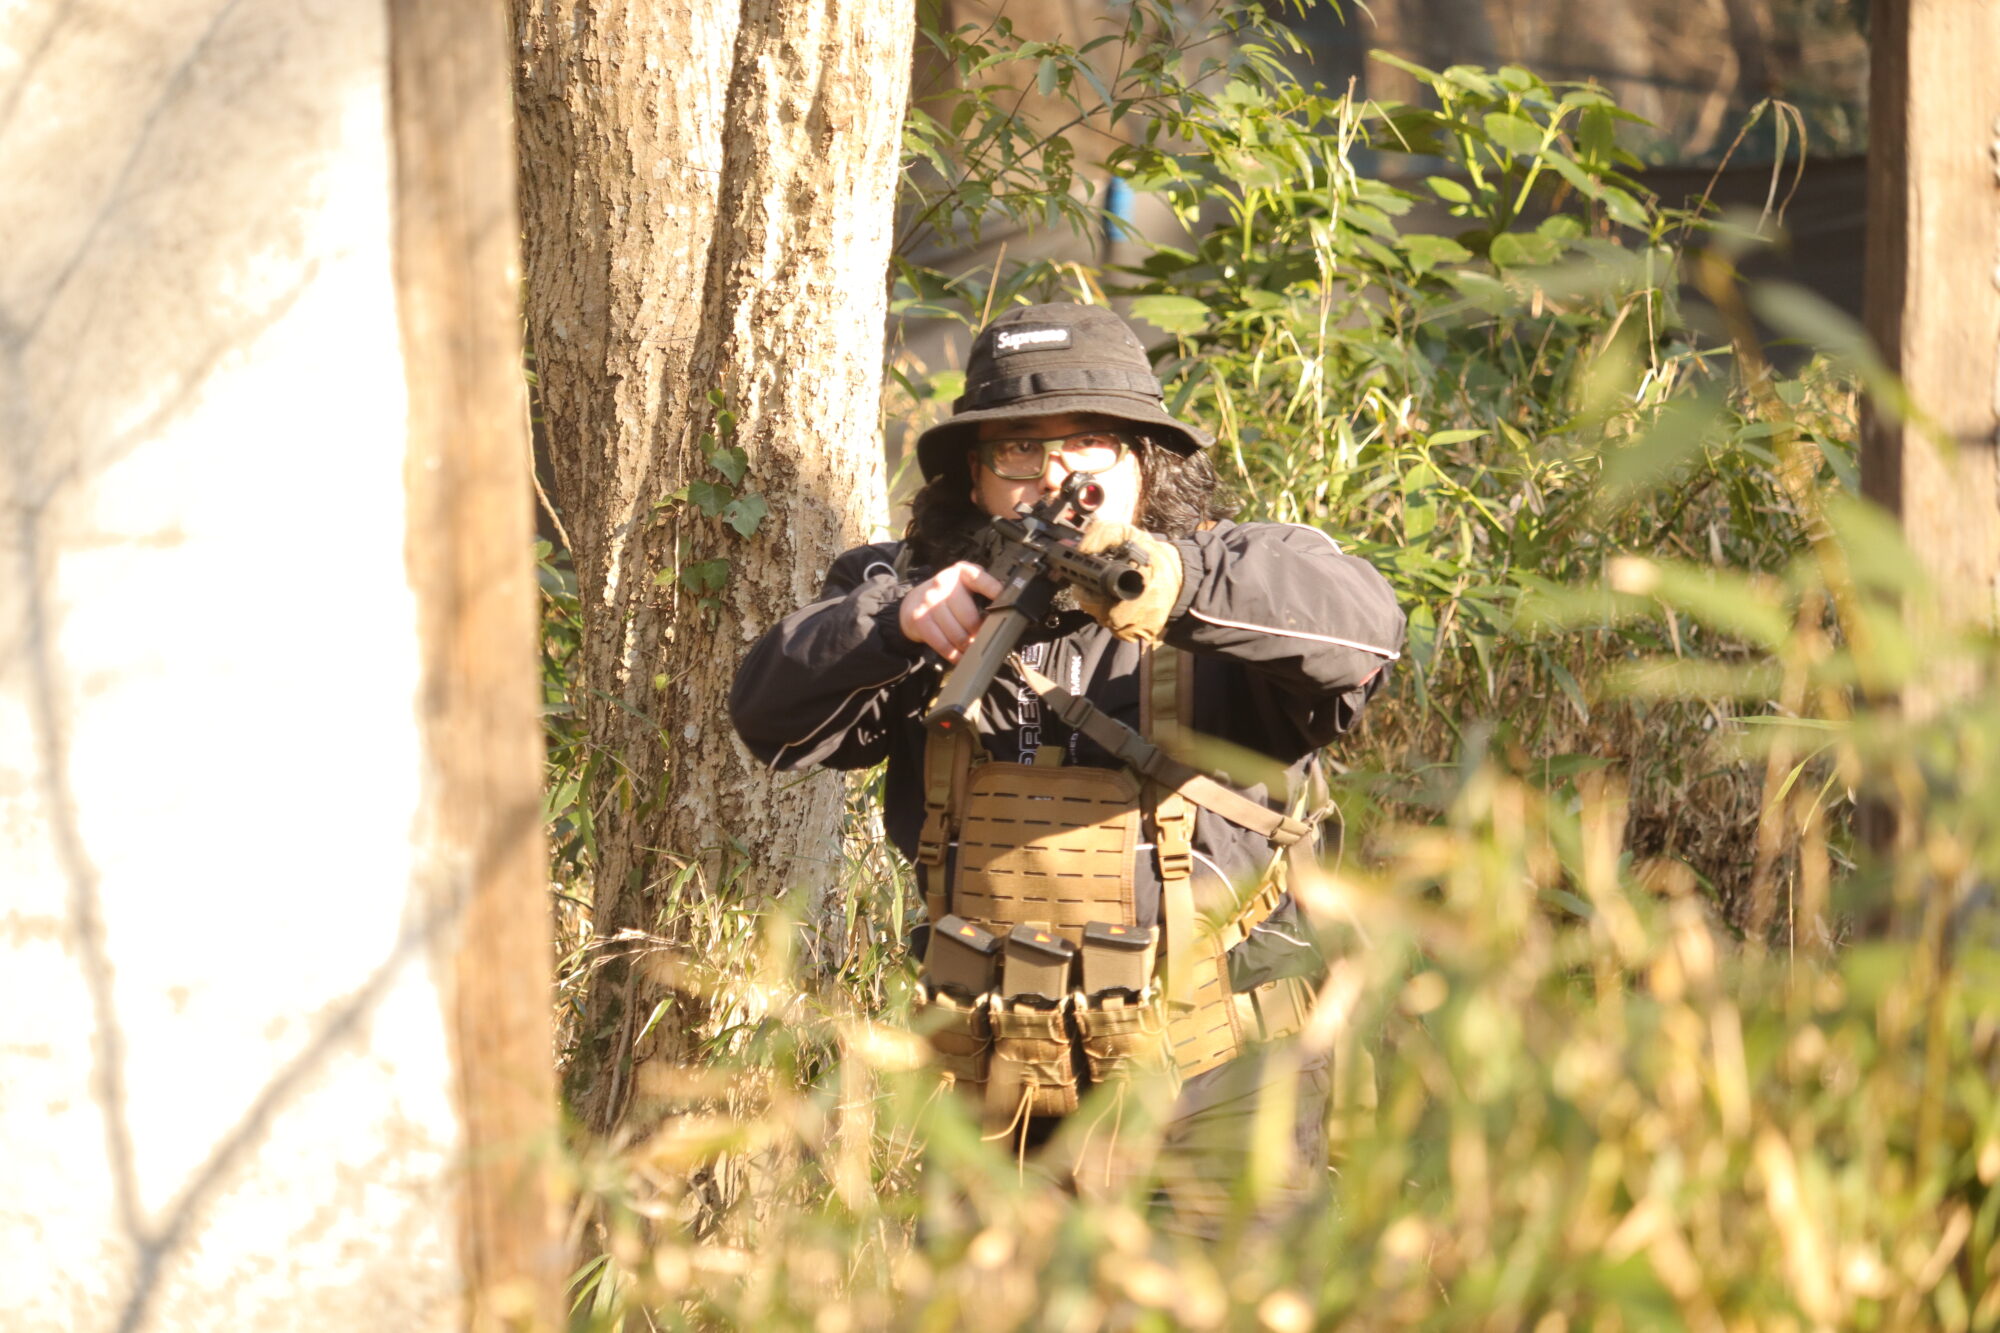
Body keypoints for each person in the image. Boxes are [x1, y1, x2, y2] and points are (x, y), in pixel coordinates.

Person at [729, 303, 1404, 1227]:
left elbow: (1363, 632)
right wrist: (894, 624)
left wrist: (1168, 583)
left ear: (1146, 461)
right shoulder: (915, 593)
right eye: (1019, 450)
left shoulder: (1239, 572)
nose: (1055, 475)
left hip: (1217, 1086)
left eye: (1089, 443)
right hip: (992, 1095)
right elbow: (769, 718)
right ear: (974, 475)